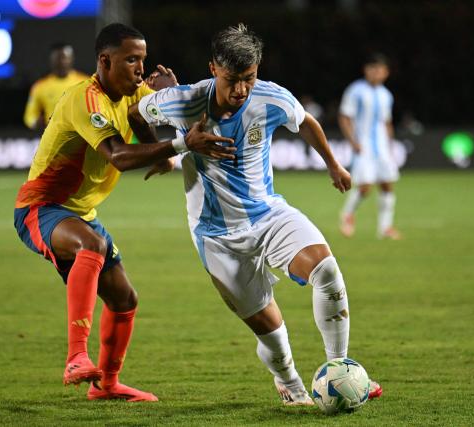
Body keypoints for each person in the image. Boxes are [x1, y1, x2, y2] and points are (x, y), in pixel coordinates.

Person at [128, 24, 382, 406]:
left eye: (249, 78)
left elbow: (306, 123)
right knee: (273, 336)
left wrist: (333, 165)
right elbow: (135, 112)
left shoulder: (270, 97)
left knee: (326, 270)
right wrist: (162, 153)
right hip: (216, 236)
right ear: (214, 68)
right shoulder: (184, 101)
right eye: (233, 80)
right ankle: (290, 381)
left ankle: (340, 369)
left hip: (269, 215)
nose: (242, 90)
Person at [13, 23, 235, 402]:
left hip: (81, 212)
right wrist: (178, 144)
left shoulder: (135, 94)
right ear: (105, 61)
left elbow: (169, 117)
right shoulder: (85, 99)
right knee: (92, 245)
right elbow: (117, 155)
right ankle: (76, 358)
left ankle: (107, 385)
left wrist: (173, 93)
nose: (139, 69)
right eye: (131, 60)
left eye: (143, 60)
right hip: (42, 207)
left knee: (124, 300)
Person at [338, 53, 401, 239]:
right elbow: (344, 117)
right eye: (372, 69)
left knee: (387, 185)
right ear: (366, 70)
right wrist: (353, 141)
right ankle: (348, 214)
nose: (375, 73)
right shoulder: (355, 90)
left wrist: (390, 145)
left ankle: (385, 228)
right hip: (363, 146)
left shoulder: (386, 95)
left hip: (381, 147)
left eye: (379, 70)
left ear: (386, 73)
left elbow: (387, 122)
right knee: (365, 187)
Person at [23, 43, 88, 131]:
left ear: (72, 59)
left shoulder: (86, 83)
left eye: (65, 58)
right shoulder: (40, 86)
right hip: (53, 137)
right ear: (51, 60)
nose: (62, 62)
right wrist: (36, 123)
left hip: (80, 136)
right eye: (58, 58)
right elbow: (29, 116)